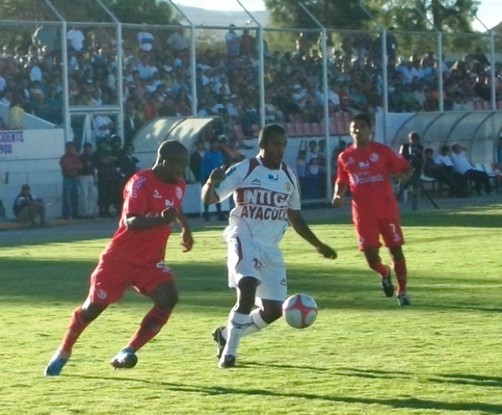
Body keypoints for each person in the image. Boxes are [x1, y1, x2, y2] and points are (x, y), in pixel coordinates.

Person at [44, 140, 194, 376]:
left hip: (150, 260)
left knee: (169, 297)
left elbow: (174, 206)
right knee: (92, 309)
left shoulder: (178, 184)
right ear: (165, 162)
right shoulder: (140, 183)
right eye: (179, 166)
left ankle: (128, 350)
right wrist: (163, 220)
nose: (182, 172)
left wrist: (185, 228)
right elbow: (131, 222)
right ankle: (64, 351)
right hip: (120, 258)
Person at [201, 124, 337, 369]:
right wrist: (211, 184)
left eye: (283, 145)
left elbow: (294, 216)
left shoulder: (289, 176)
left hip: (271, 248)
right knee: (247, 288)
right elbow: (209, 199)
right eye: (275, 144)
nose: (280, 149)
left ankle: (225, 335)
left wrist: (318, 244)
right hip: (243, 237)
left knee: (274, 310)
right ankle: (229, 354)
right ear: (262, 145)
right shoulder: (244, 169)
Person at [332, 113, 412, 307]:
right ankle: (384, 272)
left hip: (386, 210)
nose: (357, 130)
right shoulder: (345, 157)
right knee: (370, 256)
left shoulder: (383, 151)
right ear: (350, 131)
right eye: (354, 127)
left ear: (370, 129)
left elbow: (406, 168)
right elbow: (342, 180)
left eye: (362, 126)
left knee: (396, 249)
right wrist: (338, 195)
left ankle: (402, 292)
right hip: (363, 214)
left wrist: (404, 176)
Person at [201, 137, 226, 221]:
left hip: (217, 178)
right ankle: (206, 213)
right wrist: (203, 178)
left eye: (216, 143)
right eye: (213, 143)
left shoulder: (219, 154)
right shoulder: (207, 154)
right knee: (207, 193)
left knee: (217, 194)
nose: (215, 145)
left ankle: (219, 213)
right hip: (208, 177)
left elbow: (221, 165)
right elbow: (203, 166)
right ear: (210, 144)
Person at [59, 141, 82, 219]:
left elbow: (80, 166)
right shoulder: (63, 158)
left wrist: (72, 166)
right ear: (66, 149)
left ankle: (75, 213)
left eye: (72, 148)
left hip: (75, 178)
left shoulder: (76, 157)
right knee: (66, 197)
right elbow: (66, 167)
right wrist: (74, 166)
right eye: (69, 148)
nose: (71, 149)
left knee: (75, 197)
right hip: (67, 179)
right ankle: (66, 214)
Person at [79, 142, 97, 218]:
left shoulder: (93, 157)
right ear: (84, 149)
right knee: (84, 195)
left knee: (92, 195)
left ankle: (90, 212)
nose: (88, 150)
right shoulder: (81, 157)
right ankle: (84, 212)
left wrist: (95, 178)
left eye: (89, 148)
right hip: (83, 176)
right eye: (86, 149)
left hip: (91, 176)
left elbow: (94, 169)